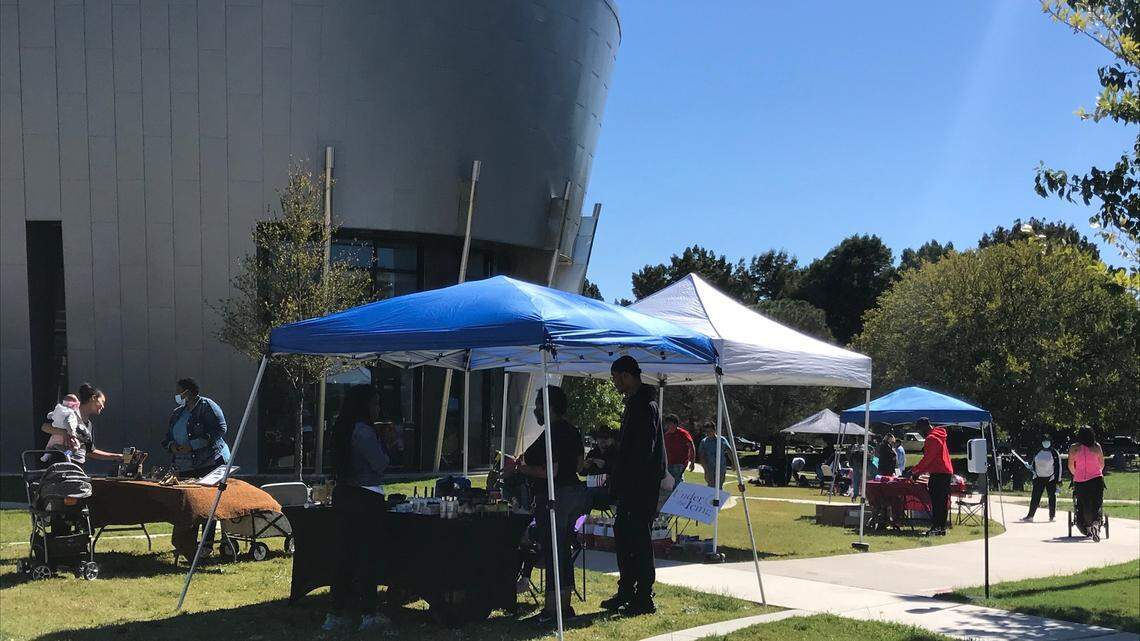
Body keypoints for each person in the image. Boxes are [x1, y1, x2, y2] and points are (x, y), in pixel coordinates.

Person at [323, 385, 392, 632]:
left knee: (344, 556)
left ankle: (336, 612)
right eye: (375, 404)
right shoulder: (363, 431)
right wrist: (384, 442)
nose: (378, 409)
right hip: (366, 495)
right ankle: (369, 613)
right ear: (365, 405)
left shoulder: (341, 428)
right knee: (367, 557)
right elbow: (381, 463)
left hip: (344, 494)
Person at [515, 385, 586, 625]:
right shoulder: (574, 431)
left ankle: (550, 610)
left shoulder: (552, 433)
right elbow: (578, 465)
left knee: (554, 552)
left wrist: (521, 469)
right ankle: (564, 607)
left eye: (538, 405)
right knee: (564, 551)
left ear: (549, 406)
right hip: (575, 494)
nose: (536, 410)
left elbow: (551, 471)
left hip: (556, 497)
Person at [601, 355, 664, 616]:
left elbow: (643, 451)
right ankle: (626, 589)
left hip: (640, 486)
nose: (615, 383)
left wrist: (628, 479)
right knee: (624, 536)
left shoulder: (645, 405)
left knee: (638, 539)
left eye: (616, 378)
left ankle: (644, 596)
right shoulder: (635, 404)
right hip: (630, 485)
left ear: (627, 376)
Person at [40, 383, 124, 467]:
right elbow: (45, 426)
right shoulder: (70, 413)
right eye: (102, 402)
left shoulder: (89, 425)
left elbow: (90, 451)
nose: (103, 406)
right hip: (60, 462)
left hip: (78, 466)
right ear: (93, 398)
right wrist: (64, 433)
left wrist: (116, 457)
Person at [164, 378, 231, 479]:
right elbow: (168, 437)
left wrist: (193, 445)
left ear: (188, 392)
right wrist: (171, 445)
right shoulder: (178, 412)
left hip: (209, 462)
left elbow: (220, 429)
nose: (176, 395)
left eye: (179, 391)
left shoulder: (207, 406)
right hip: (184, 466)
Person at [906, 418, 953, 536]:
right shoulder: (939, 434)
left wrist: (915, 472)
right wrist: (918, 471)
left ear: (925, 427)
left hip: (938, 473)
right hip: (945, 472)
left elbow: (928, 459)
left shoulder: (931, 438)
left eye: (920, 430)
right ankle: (941, 528)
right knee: (942, 502)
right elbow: (932, 460)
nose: (920, 433)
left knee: (937, 502)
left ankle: (937, 527)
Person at [1068, 426, 1105, 541]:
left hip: (1080, 481)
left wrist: (1076, 474)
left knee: (1083, 503)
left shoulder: (1074, 448)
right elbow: (1101, 464)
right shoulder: (1096, 447)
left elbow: (1070, 465)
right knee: (1097, 502)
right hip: (1096, 479)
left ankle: (1087, 525)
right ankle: (1095, 522)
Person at [1021, 435, 1062, 522]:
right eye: (1044, 441)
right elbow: (1033, 463)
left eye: (1047, 441)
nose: (1045, 443)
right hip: (1039, 478)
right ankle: (1030, 516)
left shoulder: (1054, 453)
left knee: (1052, 497)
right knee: (1035, 497)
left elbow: (1059, 467)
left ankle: (1052, 516)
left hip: (1051, 478)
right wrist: (1030, 466)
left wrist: (1058, 480)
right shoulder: (1037, 451)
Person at [42, 394, 82, 461]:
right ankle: (68, 454)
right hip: (66, 437)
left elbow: (50, 415)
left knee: (50, 446)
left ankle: (46, 455)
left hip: (55, 436)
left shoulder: (59, 410)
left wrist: (50, 416)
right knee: (76, 446)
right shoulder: (70, 413)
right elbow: (67, 422)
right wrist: (72, 434)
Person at [663, 414, 695, 487]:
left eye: (669, 424)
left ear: (675, 424)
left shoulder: (683, 433)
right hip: (669, 463)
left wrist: (692, 462)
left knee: (677, 482)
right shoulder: (667, 435)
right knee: (672, 483)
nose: (667, 426)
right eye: (667, 424)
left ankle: (679, 496)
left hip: (680, 463)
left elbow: (691, 446)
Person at [698, 421, 731, 489]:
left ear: (714, 430)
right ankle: (711, 499)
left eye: (710, 431)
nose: (708, 433)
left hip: (721, 468)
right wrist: (705, 470)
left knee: (719, 486)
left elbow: (729, 451)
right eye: (706, 432)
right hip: (710, 468)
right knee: (711, 486)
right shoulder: (704, 442)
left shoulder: (722, 440)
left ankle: (719, 499)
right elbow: (702, 457)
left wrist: (733, 463)